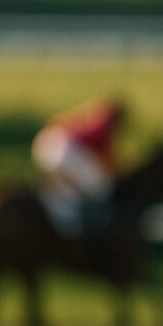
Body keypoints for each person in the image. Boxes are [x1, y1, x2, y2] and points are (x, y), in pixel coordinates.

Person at [31, 97, 126, 259]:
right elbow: (106, 156)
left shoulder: (91, 117)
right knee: (99, 189)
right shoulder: (105, 125)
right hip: (62, 148)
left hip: (47, 140)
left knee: (76, 190)